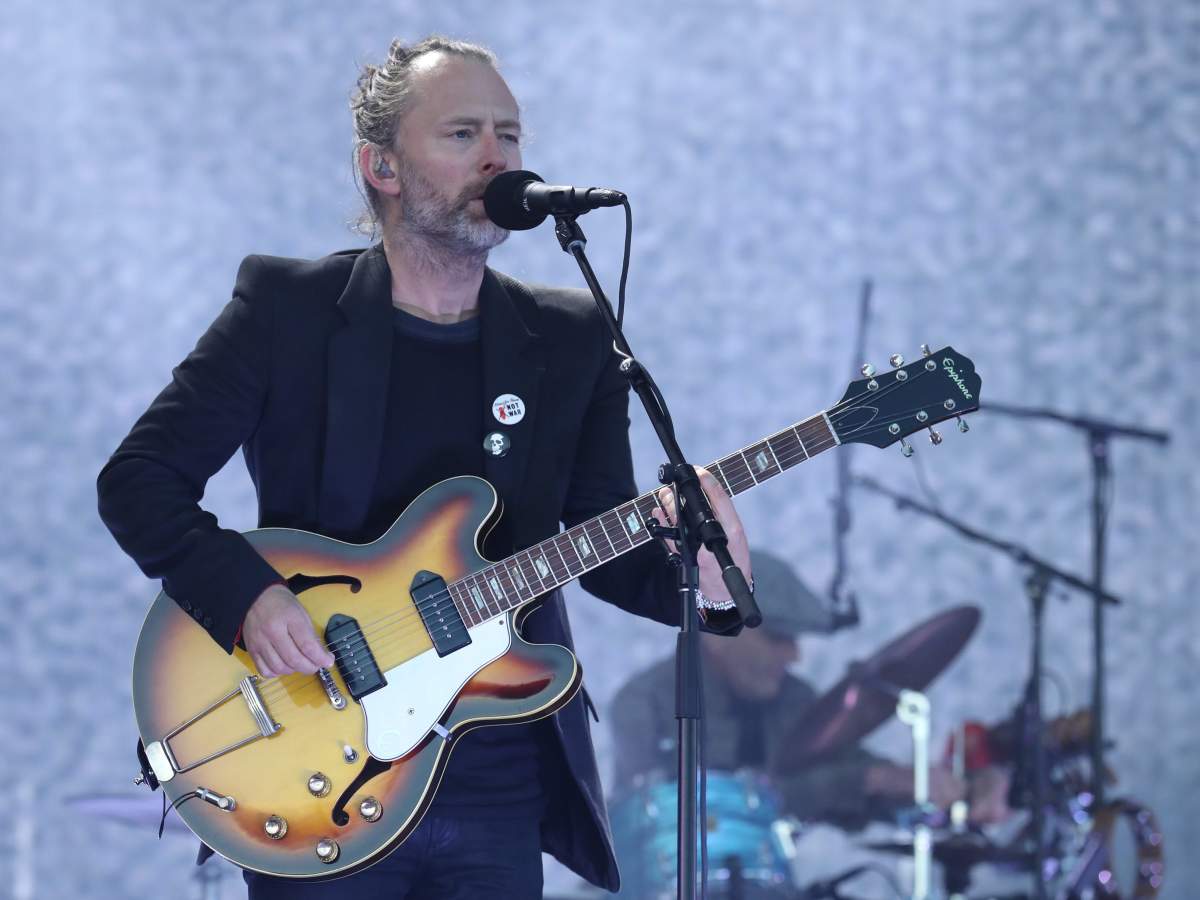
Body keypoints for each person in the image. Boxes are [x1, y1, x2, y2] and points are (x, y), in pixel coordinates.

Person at [96, 36, 750, 900]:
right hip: (319, 749)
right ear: (382, 167)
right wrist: (250, 597)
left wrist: (699, 570)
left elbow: (601, 541)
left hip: (500, 762)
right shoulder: (286, 311)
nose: (498, 157)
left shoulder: (570, 337)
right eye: (463, 133)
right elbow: (138, 479)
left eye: (510, 136)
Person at [610, 549, 1007, 835]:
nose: (795, 656)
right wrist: (867, 780)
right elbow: (657, 821)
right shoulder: (644, 704)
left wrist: (962, 788)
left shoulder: (793, 697)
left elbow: (857, 771)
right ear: (716, 629)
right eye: (779, 638)